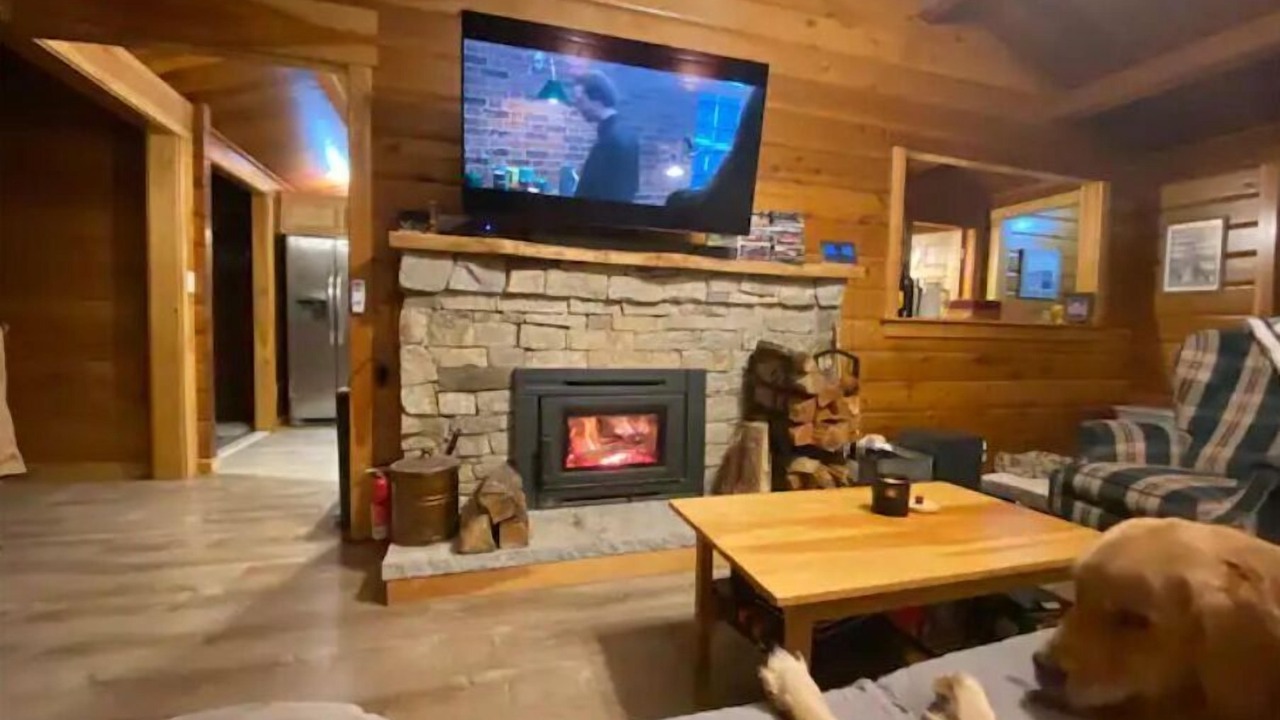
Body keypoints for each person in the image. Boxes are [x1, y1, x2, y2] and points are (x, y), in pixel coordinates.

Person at [570, 71, 639, 203]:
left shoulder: (613, 138)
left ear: (597, 98)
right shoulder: (621, 133)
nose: (577, 107)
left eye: (580, 101)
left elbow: (614, 194)